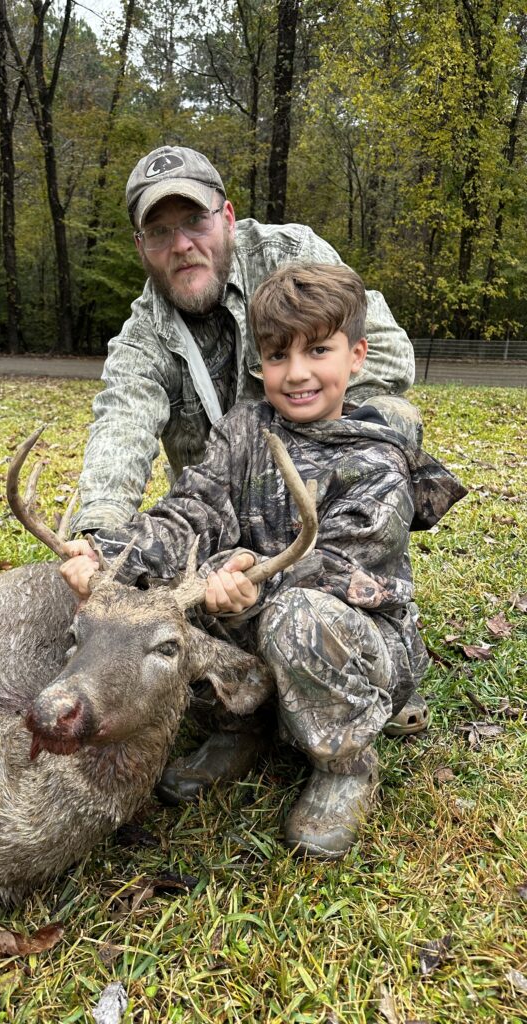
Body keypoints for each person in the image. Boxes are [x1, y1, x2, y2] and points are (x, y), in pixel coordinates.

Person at [61, 263, 466, 858]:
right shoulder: (243, 430)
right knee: (168, 598)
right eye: (278, 356)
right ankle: (241, 727)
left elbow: (342, 566)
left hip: (352, 637)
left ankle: (345, 764)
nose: (297, 373)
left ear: (357, 356)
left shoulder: (377, 459)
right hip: (249, 609)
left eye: (319, 351)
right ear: (260, 364)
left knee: (294, 615)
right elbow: (187, 512)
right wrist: (109, 554)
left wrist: (246, 578)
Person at [72, 143, 427, 759]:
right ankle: (242, 717)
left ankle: (360, 682)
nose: (181, 244)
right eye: (159, 231)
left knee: (393, 422)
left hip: (327, 477)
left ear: (227, 215)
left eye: (194, 221)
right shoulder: (143, 334)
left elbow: (393, 357)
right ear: (142, 247)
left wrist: (287, 413)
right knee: (163, 580)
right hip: (227, 497)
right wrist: (100, 543)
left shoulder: (293, 255)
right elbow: (120, 425)